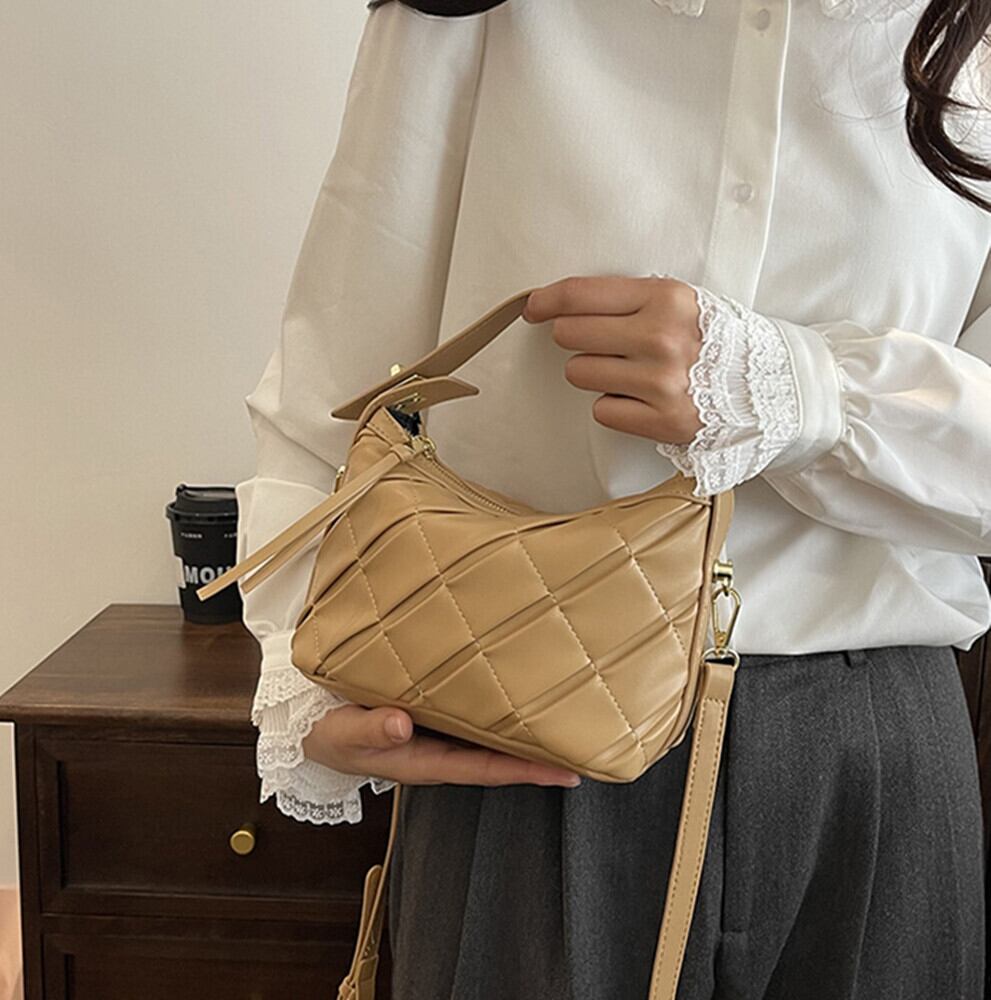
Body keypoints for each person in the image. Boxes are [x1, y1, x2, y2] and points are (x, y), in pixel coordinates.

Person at [235, 0, 991, 996]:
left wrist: (795, 387)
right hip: (528, 724)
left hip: (873, 764)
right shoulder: (484, 17)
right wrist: (304, 679)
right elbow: (336, 386)